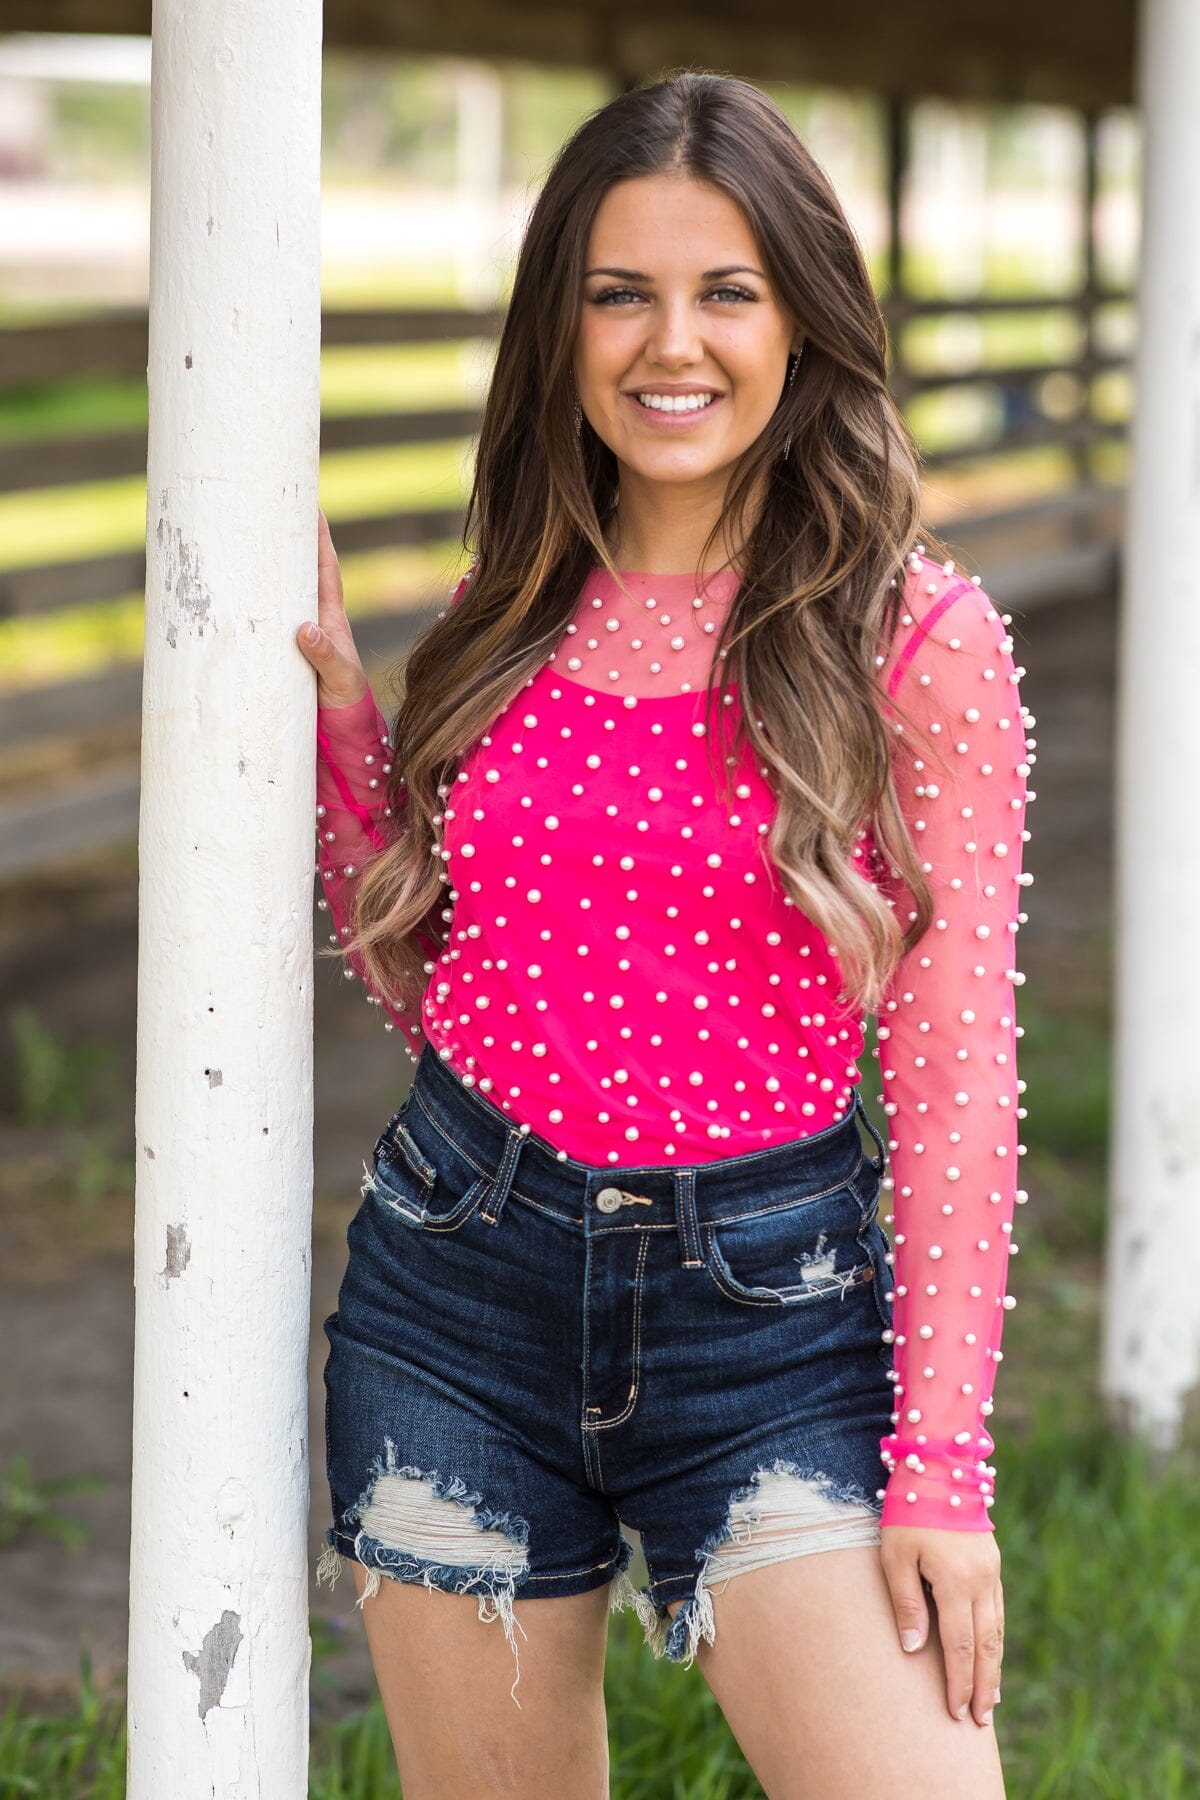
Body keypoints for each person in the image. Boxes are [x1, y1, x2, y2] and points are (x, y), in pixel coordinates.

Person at [298, 69, 1029, 1799]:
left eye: (726, 291)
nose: (668, 345)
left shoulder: (915, 641)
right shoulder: (509, 607)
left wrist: (937, 1468)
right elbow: (441, 970)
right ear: (563, 323)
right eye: (619, 292)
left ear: (804, 320)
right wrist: (342, 717)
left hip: (770, 1330)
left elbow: (953, 1078)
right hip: (452, 1291)